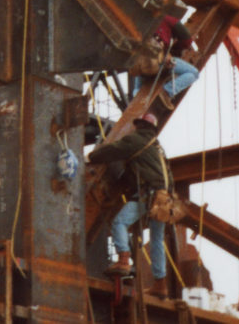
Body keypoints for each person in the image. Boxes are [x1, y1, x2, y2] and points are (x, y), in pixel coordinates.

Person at [86, 112, 173, 298]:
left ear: (139, 125)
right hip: (164, 199)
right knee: (157, 239)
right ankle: (160, 284)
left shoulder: (136, 140)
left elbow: (113, 150)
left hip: (148, 195)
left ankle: (124, 260)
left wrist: (92, 156)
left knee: (120, 223)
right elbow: (167, 175)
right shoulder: (159, 148)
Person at [132, 16, 199, 104]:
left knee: (137, 88)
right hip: (159, 61)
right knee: (194, 73)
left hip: (139, 64)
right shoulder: (167, 18)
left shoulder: (136, 19)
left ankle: (136, 100)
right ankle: (167, 91)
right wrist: (176, 49)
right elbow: (187, 40)